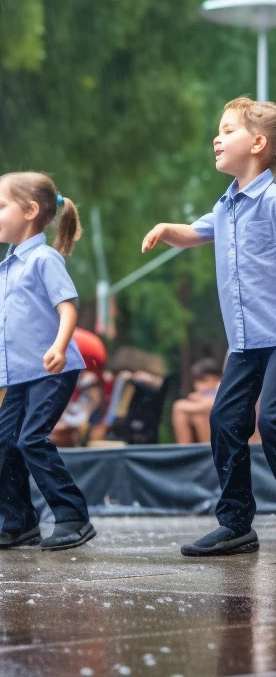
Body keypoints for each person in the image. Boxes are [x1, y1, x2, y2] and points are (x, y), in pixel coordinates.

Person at [142, 97, 276, 559]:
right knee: (225, 420)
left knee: (272, 420)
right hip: (247, 343)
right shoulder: (227, 204)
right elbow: (195, 232)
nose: (217, 137)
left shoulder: (274, 197)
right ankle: (235, 525)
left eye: (226, 130)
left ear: (256, 143)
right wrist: (166, 228)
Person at [0, 173, 96, 551]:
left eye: (0, 206)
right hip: (19, 375)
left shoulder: (44, 258)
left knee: (31, 439)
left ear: (30, 211)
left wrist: (60, 345)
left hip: (51, 371)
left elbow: (67, 306)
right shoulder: (7, 268)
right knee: (4, 444)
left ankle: (73, 515)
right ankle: (18, 523)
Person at [171, 358, 223, 444]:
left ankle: (208, 450)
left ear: (216, 378)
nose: (198, 385)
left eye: (203, 380)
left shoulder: (221, 386)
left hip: (226, 431)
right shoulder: (205, 393)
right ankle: (185, 449)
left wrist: (180, 405)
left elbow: (212, 404)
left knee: (191, 412)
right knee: (186, 414)